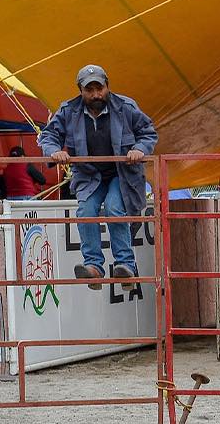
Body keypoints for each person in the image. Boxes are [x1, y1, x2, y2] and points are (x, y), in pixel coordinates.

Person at [39, 64, 158, 291]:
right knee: (85, 211)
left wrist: (139, 149)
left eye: (99, 88)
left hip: (122, 175)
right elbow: (49, 135)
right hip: (89, 174)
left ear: (107, 87)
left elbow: (148, 132)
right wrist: (56, 151)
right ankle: (93, 266)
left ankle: (125, 265)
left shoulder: (125, 107)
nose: (96, 94)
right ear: (81, 91)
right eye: (90, 90)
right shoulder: (68, 111)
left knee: (114, 208)